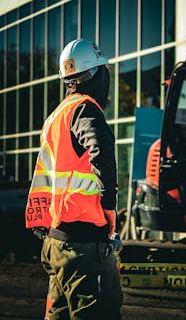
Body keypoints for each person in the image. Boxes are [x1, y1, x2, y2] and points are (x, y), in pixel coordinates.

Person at [25, 38, 123, 320]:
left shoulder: (56, 116)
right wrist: (109, 207)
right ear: (96, 75)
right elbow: (100, 149)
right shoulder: (84, 109)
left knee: (59, 314)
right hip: (83, 244)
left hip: (56, 241)